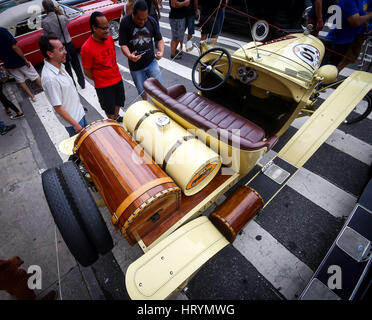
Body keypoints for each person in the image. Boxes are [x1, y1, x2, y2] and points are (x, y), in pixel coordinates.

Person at [39, 34, 87, 137]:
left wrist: (78, 104)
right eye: (61, 50)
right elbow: (58, 107)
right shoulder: (50, 79)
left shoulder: (59, 65)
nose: (65, 51)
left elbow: (67, 92)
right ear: (50, 54)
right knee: (82, 150)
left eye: (63, 48)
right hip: (74, 122)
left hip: (79, 113)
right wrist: (75, 125)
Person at [81, 12, 125, 122]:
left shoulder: (109, 39)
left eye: (108, 27)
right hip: (103, 85)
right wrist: (101, 78)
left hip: (117, 78)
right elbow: (87, 71)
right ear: (94, 28)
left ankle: (116, 117)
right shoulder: (86, 48)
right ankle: (113, 122)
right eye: (104, 28)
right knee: (109, 109)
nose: (107, 31)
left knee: (119, 101)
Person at [119, 0, 164, 100]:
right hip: (136, 67)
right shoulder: (125, 22)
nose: (143, 22)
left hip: (151, 62)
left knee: (160, 89)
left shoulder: (151, 21)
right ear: (133, 14)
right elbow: (123, 44)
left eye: (145, 18)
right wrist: (129, 55)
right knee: (142, 92)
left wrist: (161, 52)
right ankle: (146, 105)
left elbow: (159, 39)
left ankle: (163, 108)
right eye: (140, 19)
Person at [41, 0, 85, 89]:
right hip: (69, 44)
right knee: (76, 64)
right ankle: (82, 83)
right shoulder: (62, 17)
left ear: (45, 9)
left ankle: (73, 86)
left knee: (66, 68)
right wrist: (58, 11)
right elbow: (67, 19)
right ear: (54, 7)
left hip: (59, 47)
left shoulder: (45, 22)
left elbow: (47, 38)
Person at [325, 0, 372, 71]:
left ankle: (335, 74)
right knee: (330, 68)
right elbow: (355, 21)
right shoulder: (347, 1)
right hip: (339, 40)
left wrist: (365, 23)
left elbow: (361, 14)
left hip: (353, 37)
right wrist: (370, 15)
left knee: (348, 59)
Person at [0, 27, 42, 102]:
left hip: (7, 62)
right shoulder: (2, 31)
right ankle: (45, 89)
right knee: (34, 75)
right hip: (17, 58)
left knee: (20, 80)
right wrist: (25, 59)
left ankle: (32, 96)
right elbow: (14, 46)